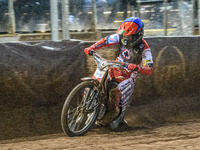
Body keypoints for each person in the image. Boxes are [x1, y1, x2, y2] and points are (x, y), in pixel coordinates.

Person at [84, 17, 153, 129]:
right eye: (125, 36)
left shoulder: (145, 49)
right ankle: (92, 103)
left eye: (129, 37)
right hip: (116, 66)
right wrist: (91, 48)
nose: (126, 39)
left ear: (138, 36)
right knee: (99, 78)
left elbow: (149, 69)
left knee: (114, 123)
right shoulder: (120, 37)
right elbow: (105, 41)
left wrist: (136, 67)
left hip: (128, 75)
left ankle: (116, 114)